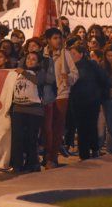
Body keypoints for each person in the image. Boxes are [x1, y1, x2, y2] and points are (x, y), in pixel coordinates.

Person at [41, 28, 78, 169]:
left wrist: (68, 78)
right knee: (46, 128)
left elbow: (75, 73)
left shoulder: (65, 54)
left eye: (60, 38)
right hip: (45, 95)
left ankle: (53, 157)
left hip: (61, 94)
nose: (58, 41)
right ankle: (46, 153)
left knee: (57, 127)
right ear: (49, 40)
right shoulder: (42, 54)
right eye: (55, 38)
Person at [69, 42, 108, 160]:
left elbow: (103, 79)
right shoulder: (70, 68)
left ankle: (95, 148)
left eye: (74, 53)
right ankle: (84, 154)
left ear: (81, 54)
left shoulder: (92, 65)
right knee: (81, 128)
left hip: (92, 101)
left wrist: (100, 95)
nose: (71, 56)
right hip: (77, 101)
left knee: (91, 126)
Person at [9, 51, 42, 172]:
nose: (30, 61)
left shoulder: (40, 72)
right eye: (28, 58)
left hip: (34, 111)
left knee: (31, 139)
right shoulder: (18, 73)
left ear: (38, 62)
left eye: (34, 59)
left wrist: (24, 72)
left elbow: (39, 82)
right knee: (17, 138)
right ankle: (17, 164)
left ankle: (32, 163)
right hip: (18, 109)